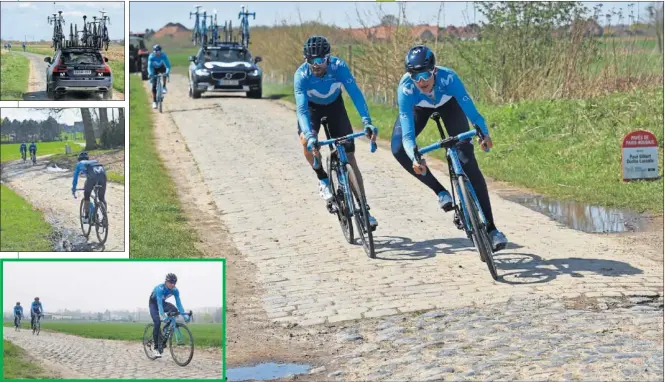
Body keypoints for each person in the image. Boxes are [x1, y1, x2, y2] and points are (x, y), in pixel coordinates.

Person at [392, 45, 508, 251]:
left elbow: (474, 114)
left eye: (426, 75)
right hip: (418, 109)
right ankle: (441, 192)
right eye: (415, 76)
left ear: (434, 71)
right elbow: (408, 136)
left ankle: (491, 230)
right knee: (399, 149)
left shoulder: (449, 78)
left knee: (468, 163)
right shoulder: (406, 89)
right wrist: (415, 158)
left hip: (449, 105)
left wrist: (484, 134)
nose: (422, 81)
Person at [294, 36, 379, 228]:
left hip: (335, 107)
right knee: (306, 142)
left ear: (328, 58)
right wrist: (309, 135)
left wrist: (367, 121)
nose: (316, 65)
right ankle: (322, 178)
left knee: (349, 157)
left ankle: (364, 210)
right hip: (311, 110)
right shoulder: (301, 75)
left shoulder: (339, 67)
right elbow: (301, 110)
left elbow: (355, 93)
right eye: (311, 61)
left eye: (320, 61)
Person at [148, 273, 190, 358]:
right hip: (154, 304)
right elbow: (159, 304)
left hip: (162, 303)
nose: (173, 284)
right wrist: (163, 315)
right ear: (166, 281)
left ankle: (165, 330)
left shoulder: (175, 290)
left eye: (174, 283)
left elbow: (179, 304)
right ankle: (156, 348)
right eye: (171, 282)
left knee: (175, 311)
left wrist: (184, 315)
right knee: (157, 323)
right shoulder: (160, 288)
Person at [71, 152, 107, 224]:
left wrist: (74, 188)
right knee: (101, 198)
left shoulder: (79, 164)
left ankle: (87, 217)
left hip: (92, 178)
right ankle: (104, 219)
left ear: (79, 160)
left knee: (86, 195)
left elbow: (75, 178)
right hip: (103, 176)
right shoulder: (94, 161)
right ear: (88, 158)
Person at [147, 44, 171, 109]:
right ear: (153, 51)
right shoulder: (151, 57)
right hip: (153, 69)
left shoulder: (163, 55)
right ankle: (154, 101)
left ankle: (164, 86)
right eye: (156, 51)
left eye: (159, 51)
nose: (158, 53)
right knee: (153, 86)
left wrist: (167, 72)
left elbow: (168, 66)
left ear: (160, 51)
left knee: (164, 73)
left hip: (161, 67)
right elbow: (149, 67)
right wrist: (150, 74)